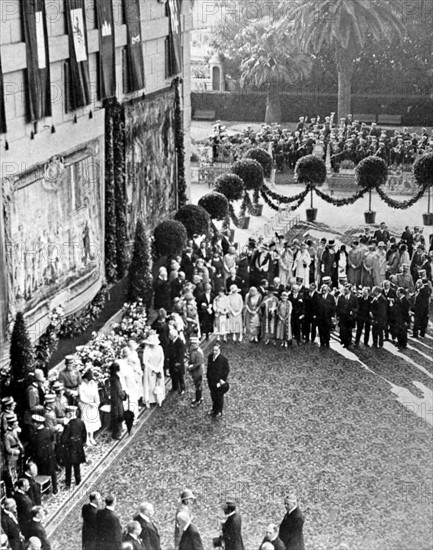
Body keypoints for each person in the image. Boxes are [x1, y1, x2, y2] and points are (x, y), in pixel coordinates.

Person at [27, 415, 58, 495]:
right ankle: (55, 488)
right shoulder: (49, 431)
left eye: (34, 423)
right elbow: (52, 440)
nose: (33, 425)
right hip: (50, 455)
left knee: (43, 472)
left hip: (40, 457)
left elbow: (34, 447)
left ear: (37, 424)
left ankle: (46, 489)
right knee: (52, 471)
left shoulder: (35, 435)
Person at [59, 406, 87, 489]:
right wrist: (81, 443)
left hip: (69, 448)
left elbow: (64, 439)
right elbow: (84, 435)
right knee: (77, 465)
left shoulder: (68, 425)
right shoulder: (81, 422)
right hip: (78, 447)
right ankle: (78, 480)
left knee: (68, 467)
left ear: (70, 413)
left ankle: (68, 483)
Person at [142, 333, 165, 408]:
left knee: (159, 383)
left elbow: (162, 358)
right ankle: (149, 400)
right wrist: (154, 369)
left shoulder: (160, 348)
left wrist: (159, 368)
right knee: (150, 385)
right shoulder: (147, 350)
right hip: (149, 370)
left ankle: (159, 399)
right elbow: (145, 361)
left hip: (158, 368)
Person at [206, 342, 230, 418]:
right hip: (211, 380)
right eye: (213, 350)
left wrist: (222, 380)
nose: (214, 352)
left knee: (219, 396)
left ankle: (219, 410)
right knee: (213, 395)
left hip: (218, 381)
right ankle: (214, 408)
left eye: (216, 350)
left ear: (219, 350)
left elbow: (226, 370)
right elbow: (209, 367)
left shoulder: (223, 359)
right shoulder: (210, 356)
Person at [78, 370, 101, 446]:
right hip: (85, 406)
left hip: (93, 405)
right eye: (87, 379)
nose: (88, 381)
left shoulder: (93, 384)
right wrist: (89, 403)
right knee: (87, 422)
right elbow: (82, 397)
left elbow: (96, 394)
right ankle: (87, 439)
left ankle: (91, 437)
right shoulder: (81, 386)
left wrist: (96, 403)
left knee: (93, 421)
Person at [168, 327, 186, 396]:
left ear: (174, 336)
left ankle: (182, 388)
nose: (169, 337)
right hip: (172, 362)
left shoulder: (180, 343)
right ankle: (174, 387)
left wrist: (177, 364)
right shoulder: (171, 341)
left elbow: (181, 355)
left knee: (180, 376)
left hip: (178, 363)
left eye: (170, 336)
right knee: (173, 375)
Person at [109, 363, 125, 440]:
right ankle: (116, 433)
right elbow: (119, 390)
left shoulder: (112, 377)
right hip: (117, 399)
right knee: (118, 415)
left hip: (114, 399)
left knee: (115, 415)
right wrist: (123, 395)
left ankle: (116, 430)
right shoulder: (115, 378)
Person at [318, 284, 336, 348]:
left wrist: (332, 316)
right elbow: (316, 306)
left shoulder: (331, 297)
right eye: (323, 290)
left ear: (327, 290)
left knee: (327, 329)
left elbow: (333, 307)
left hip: (327, 316)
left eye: (325, 290)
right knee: (320, 329)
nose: (324, 291)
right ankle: (322, 342)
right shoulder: (318, 296)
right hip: (320, 316)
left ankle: (327, 341)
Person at [188, 337, 204, 408]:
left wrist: (190, 367)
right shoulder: (192, 350)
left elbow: (198, 363)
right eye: (192, 344)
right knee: (197, 385)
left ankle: (198, 400)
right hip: (194, 372)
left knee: (198, 386)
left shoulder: (199, 352)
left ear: (197, 344)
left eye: (194, 344)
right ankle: (199, 397)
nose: (193, 345)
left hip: (198, 372)